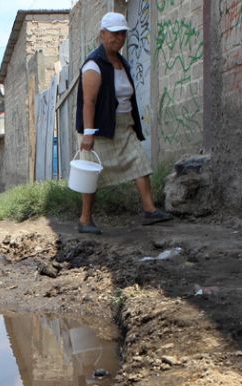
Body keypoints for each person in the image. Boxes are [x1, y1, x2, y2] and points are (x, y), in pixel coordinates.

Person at [75, 11, 173, 234]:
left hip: (123, 125)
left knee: (139, 163)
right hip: (99, 129)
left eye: (122, 34)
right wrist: (88, 133)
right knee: (91, 174)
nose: (119, 38)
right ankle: (84, 220)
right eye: (114, 33)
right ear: (102, 33)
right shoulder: (94, 64)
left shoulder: (121, 62)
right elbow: (88, 102)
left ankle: (149, 210)